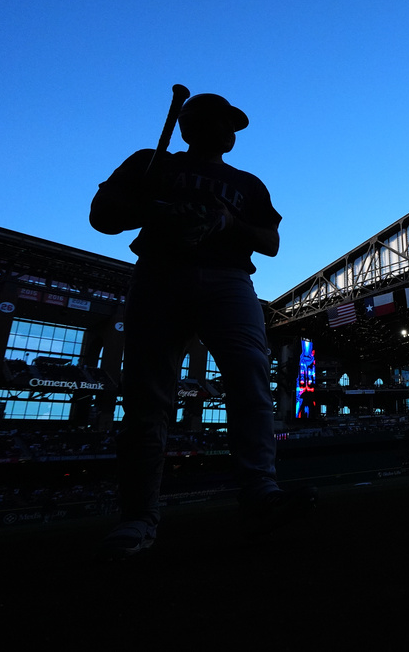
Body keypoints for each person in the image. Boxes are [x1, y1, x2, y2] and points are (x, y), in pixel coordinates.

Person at [89, 92, 315, 558]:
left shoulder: (247, 183)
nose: (230, 131)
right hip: (159, 272)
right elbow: (101, 217)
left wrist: (227, 222)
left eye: (233, 125)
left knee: (251, 376)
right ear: (190, 125)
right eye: (222, 122)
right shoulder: (151, 162)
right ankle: (138, 517)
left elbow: (270, 242)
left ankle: (260, 493)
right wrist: (156, 209)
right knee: (147, 395)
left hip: (229, 278)